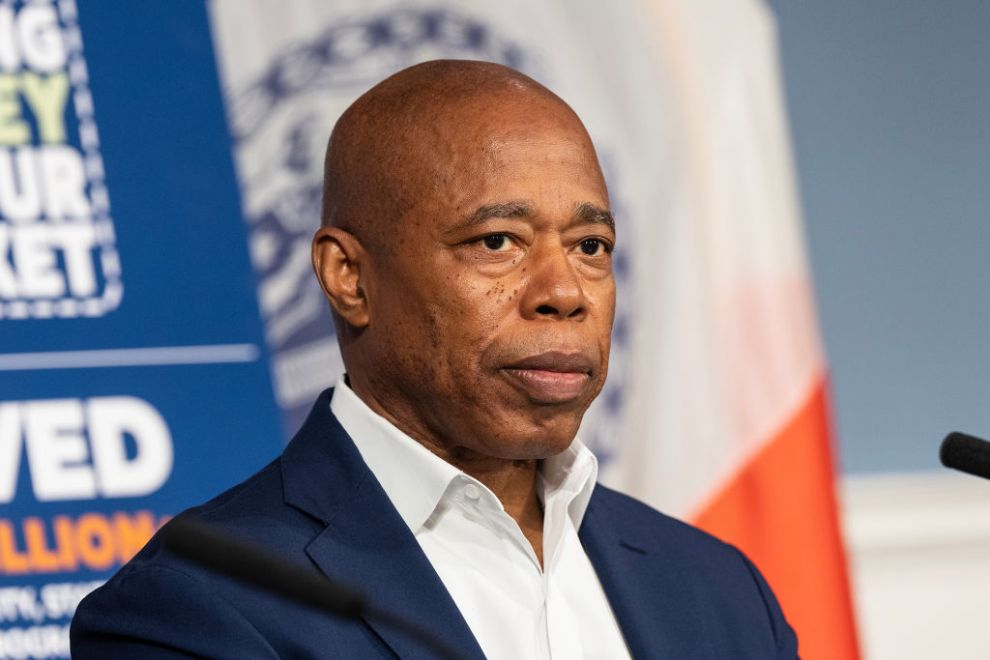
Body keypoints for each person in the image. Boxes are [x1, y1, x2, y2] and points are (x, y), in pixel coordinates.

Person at [71, 60, 798, 659]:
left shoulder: (720, 590)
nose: (563, 293)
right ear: (348, 277)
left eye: (590, 248)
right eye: (497, 242)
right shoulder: (193, 611)